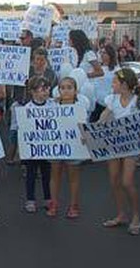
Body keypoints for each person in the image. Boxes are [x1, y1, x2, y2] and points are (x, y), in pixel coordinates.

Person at [98, 68, 140, 236]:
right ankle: (121, 214)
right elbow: (104, 117)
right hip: (114, 145)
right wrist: (93, 130)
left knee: (127, 182)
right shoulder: (113, 99)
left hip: (132, 146)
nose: (112, 84)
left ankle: (136, 216)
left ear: (124, 85)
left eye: (114, 82)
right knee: (114, 180)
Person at [48, 77, 89, 219]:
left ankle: (73, 205)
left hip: (74, 146)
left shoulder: (80, 107)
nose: (66, 91)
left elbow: (84, 125)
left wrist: (85, 137)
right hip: (55, 146)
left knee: (73, 177)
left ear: (75, 90)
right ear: (58, 90)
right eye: (63, 88)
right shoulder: (52, 106)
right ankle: (53, 203)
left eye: (69, 87)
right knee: (54, 176)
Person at [19, 76, 55, 213]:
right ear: (33, 92)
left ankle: (48, 198)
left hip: (48, 148)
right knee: (31, 175)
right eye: (42, 89)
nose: (45, 92)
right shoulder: (27, 108)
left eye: (47, 89)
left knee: (47, 175)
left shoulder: (53, 106)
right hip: (32, 149)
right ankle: (30, 200)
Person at [91, 45, 119, 122]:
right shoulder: (98, 69)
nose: (102, 55)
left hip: (109, 104)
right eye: (101, 52)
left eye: (105, 53)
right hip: (97, 103)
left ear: (110, 55)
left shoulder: (117, 69)